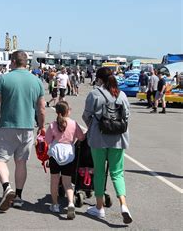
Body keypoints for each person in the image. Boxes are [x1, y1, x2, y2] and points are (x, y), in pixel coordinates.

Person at [0, 51, 46, 212]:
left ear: (12, 62)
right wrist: (41, 125)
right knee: (21, 162)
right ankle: (18, 196)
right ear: (26, 63)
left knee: (0, 159)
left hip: (7, 126)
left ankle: (7, 187)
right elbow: (41, 108)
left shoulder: (4, 79)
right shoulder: (36, 81)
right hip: (27, 127)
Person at [82, 67, 133, 224]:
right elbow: (127, 115)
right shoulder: (122, 95)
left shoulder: (95, 94)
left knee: (99, 172)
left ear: (99, 79)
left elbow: (86, 115)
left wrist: (94, 125)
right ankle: (123, 205)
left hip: (99, 138)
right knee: (117, 173)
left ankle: (99, 208)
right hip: (118, 138)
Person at [45, 101, 85, 219]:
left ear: (57, 112)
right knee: (67, 183)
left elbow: (47, 140)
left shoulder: (53, 125)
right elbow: (81, 137)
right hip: (68, 154)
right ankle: (71, 203)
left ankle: (55, 204)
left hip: (55, 154)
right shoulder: (73, 123)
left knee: (54, 181)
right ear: (68, 111)